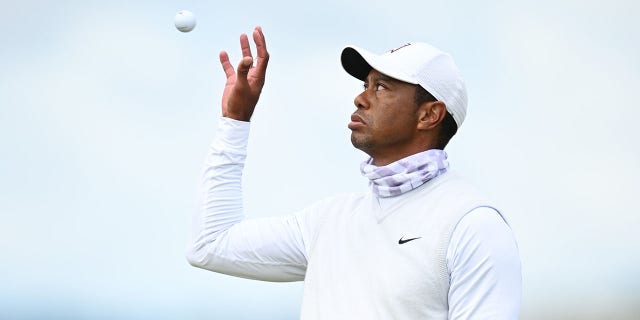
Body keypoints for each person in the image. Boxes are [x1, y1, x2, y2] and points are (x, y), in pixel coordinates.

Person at [187, 26, 522, 319]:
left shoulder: (473, 225)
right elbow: (212, 245)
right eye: (365, 84)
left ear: (428, 115)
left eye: (381, 87)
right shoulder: (329, 220)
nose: (360, 98)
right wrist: (235, 120)